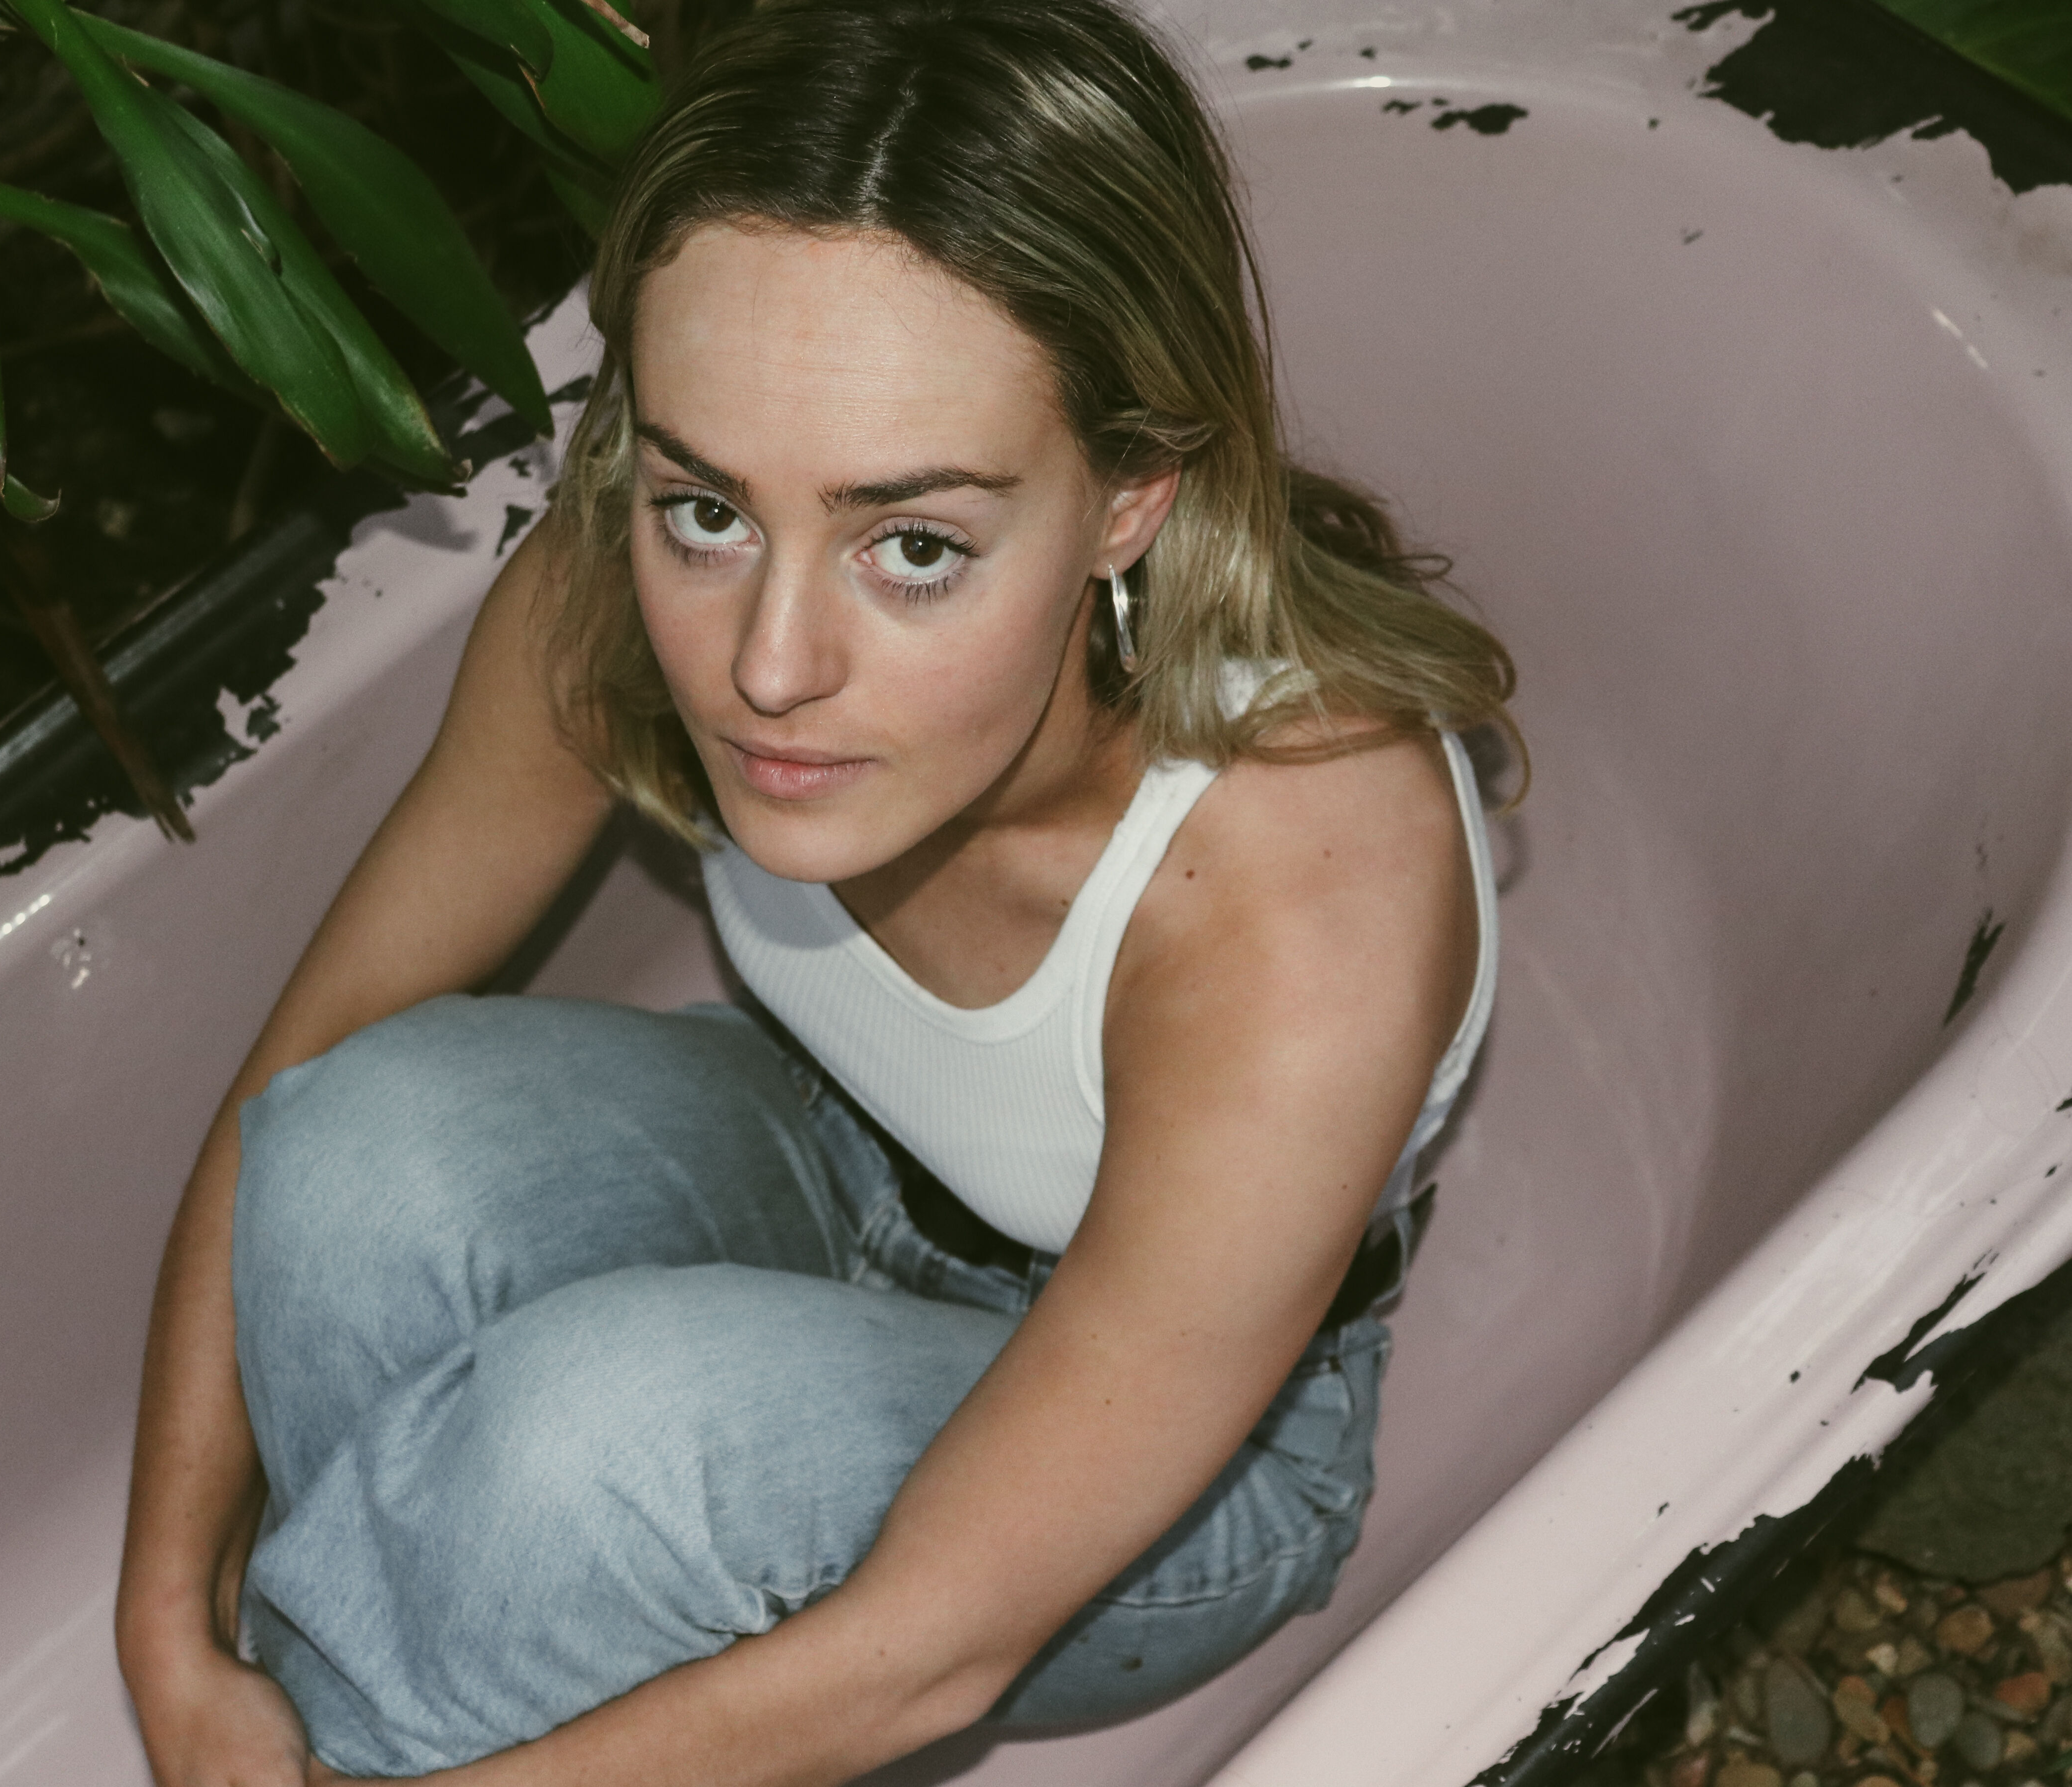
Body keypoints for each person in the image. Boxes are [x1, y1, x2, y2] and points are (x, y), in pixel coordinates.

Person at [114, 1, 1519, 1782]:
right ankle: (392, 1691)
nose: (768, 664)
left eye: (913, 547)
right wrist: (170, 1633)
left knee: (591, 1446)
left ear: (1129, 499)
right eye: (707, 508)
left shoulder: (1300, 882)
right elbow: (291, 1082)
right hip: (837, 1151)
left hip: (1202, 1467)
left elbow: (934, 1643)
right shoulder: (631, 587)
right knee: (352, 1154)